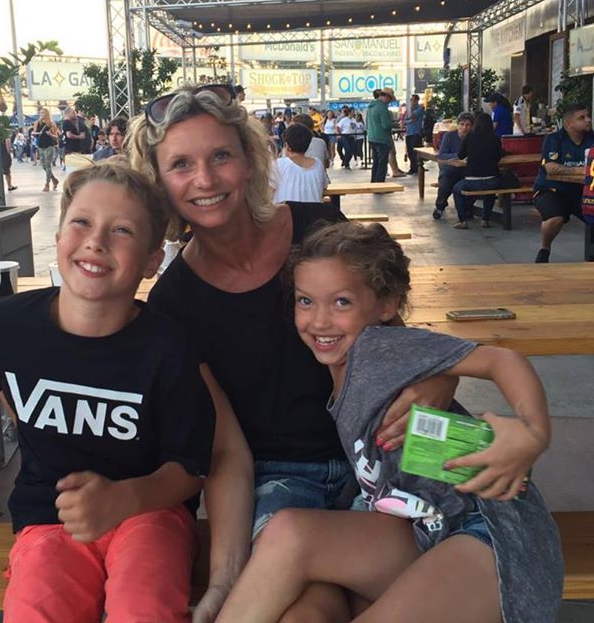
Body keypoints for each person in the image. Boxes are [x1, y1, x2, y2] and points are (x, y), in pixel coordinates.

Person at [128, 83, 457, 623]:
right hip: (278, 478)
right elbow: (226, 451)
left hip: (380, 450)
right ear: (159, 183)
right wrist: (225, 579)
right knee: (309, 610)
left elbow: (395, 342)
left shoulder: (318, 228)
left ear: (249, 161)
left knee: (451, 556)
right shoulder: (174, 303)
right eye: (181, 164)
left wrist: (439, 381)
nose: (205, 179)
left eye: (220, 156)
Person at [216, 221, 563, 623]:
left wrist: (533, 432)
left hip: (493, 535)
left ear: (386, 305)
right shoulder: (346, 361)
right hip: (428, 529)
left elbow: (501, 359)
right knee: (287, 532)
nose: (319, 320)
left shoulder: (382, 349)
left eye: (341, 302)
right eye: (305, 301)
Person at [0, 160, 215, 623]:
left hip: (150, 510)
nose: (96, 241)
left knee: (143, 608)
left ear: (152, 261)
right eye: (81, 222)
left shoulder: (169, 347)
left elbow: (191, 469)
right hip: (49, 516)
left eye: (122, 230)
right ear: (58, 235)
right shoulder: (4, 324)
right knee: (34, 610)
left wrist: (126, 498)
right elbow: (8, 393)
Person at [532, 104, 593, 263]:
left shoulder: (591, 138)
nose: (588, 120)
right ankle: (544, 249)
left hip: (583, 191)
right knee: (555, 218)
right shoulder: (554, 139)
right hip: (551, 190)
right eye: (582, 118)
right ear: (568, 124)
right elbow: (550, 168)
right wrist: (583, 169)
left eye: (588, 116)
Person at [452, 113, 503, 229]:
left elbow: (460, 155)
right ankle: (485, 219)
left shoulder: (470, 136)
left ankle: (463, 220)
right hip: (492, 180)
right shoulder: (495, 138)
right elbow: (498, 158)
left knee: (456, 189)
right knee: (490, 191)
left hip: (472, 181)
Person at [432, 113, 475, 220]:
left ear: (472, 126)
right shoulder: (449, 136)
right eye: (462, 124)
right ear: (458, 125)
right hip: (450, 168)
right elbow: (441, 155)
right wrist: (458, 156)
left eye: (468, 125)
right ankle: (440, 206)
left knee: (475, 183)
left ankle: (468, 207)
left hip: (468, 169)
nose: (464, 128)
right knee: (445, 184)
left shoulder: (474, 137)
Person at [274, 123, 328, 204]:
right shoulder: (318, 165)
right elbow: (324, 186)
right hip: (313, 211)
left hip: (286, 211)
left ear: (287, 146)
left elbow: (267, 193)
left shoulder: (278, 165)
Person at [367, 87, 395, 183]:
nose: (389, 102)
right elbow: (386, 125)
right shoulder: (382, 107)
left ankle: (373, 182)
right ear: (386, 96)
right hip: (382, 138)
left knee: (376, 162)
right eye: (390, 99)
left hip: (372, 137)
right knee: (382, 163)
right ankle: (380, 184)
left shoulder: (371, 107)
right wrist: (393, 124)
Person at [32, 108, 60, 192]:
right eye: (40, 113)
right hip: (40, 146)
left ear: (47, 114)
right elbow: (34, 132)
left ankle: (47, 184)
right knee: (43, 165)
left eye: (43, 112)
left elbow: (56, 137)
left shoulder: (51, 124)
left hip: (49, 145)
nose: (41, 114)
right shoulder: (37, 123)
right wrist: (37, 133)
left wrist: (50, 134)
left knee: (48, 165)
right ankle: (54, 179)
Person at [404, 93, 425, 175]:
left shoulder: (420, 109)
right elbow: (405, 120)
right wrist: (409, 121)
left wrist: (410, 113)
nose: (411, 101)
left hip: (416, 133)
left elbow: (412, 116)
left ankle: (417, 167)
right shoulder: (410, 109)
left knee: (415, 152)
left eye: (412, 100)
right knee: (410, 152)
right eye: (410, 100)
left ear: (416, 100)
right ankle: (412, 168)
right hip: (409, 133)